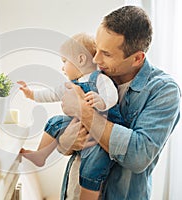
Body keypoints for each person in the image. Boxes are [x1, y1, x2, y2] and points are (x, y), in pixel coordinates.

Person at [58, 5, 181, 200]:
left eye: (106, 54)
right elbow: (64, 145)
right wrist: (65, 142)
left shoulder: (164, 90)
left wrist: (84, 111)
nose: (96, 59)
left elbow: (138, 155)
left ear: (137, 58)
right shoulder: (93, 77)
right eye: (96, 48)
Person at [18, 32, 124, 200]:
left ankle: (87, 196)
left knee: (92, 167)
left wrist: (101, 101)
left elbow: (112, 95)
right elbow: (51, 94)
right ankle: (41, 155)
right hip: (80, 125)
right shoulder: (69, 84)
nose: (62, 67)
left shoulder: (100, 79)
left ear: (81, 60)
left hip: (103, 130)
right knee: (54, 122)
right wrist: (31, 94)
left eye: (64, 61)